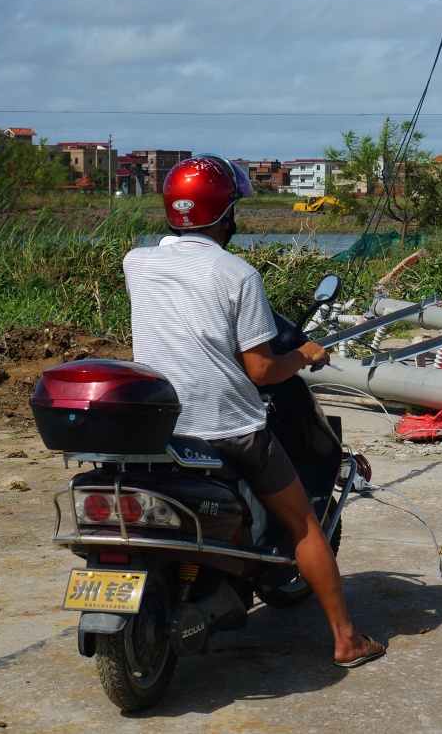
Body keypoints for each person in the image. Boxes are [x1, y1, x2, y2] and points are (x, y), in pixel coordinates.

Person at [123, 154, 385, 669]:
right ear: (225, 213)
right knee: (305, 523)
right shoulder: (238, 273)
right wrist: (305, 354)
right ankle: (347, 640)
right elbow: (263, 371)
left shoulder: (137, 262)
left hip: (158, 424)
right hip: (227, 426)